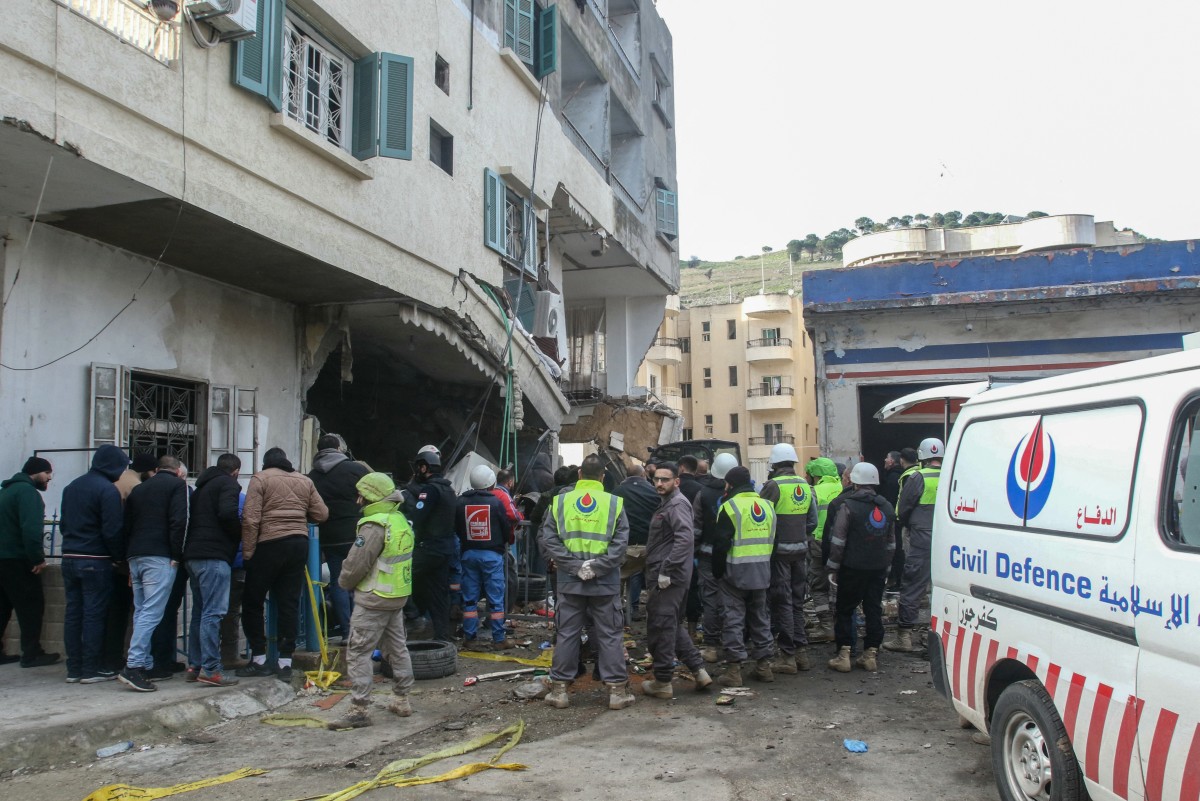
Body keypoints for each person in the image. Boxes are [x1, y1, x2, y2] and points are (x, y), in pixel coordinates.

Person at [539, 455, 634, 710]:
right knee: (610, 634)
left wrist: (575, 567)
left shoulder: (560, 502)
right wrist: (596, 567)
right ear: (603, 476)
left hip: (570, 581)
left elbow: (549, 539)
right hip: (604, 582)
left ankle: (559, 691)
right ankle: (616, 692)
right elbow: (620, 545)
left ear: (580, 474)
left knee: (567, 633)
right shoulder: (614, 503)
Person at [328, 473, 416, 729]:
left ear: (369, 496)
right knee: (398, 648)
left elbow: (356, 563)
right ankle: (402, 698)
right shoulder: (399, 520)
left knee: (358, 651)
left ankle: (359, 707)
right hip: (397, 595)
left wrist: (343, 583)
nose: (358, 500)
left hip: (374, 597)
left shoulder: (374, 525)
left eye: (362, 495)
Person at [239, 447, 329, 681]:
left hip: (269, 544)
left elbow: (250, 519)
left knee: (253, 601)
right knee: (289, 602)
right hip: (299, 544)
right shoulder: (304, 480)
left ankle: (259, 657)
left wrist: (248, 553)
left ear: (266, 463)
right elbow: (321, 514)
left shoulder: (260, 479)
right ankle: (285, 661)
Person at [118, 455, 189, 692]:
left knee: (141, 611)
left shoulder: (140, 489)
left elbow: (126, 525)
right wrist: (176, 555)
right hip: (159, 556)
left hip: (135, 555)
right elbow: (180, 521)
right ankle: (135, 665)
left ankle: (145, 663)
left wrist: (126, 560)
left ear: (157, 469)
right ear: (178, 471)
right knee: (152, 611)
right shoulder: (178, 486)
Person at [641, 462, 711, 699]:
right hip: (670, 576)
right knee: (670, 623)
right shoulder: (669, 503)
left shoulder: (677, 505)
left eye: (665, 480)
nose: (660, 483)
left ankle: (662, 682)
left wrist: (666, 570)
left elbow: (684, 540)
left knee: (660, 627)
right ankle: (699, 671)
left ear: (676, 482)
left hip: (668, 578)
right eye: (657, 479)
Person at [60, 445, 129, 684]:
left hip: (69, 557)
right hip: (95, 560)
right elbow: (112, 530)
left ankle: (74, 668)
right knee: (94, 615)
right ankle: (91, 669)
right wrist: (119, 556)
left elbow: (63, 524)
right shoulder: (107, 490)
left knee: (73, 614)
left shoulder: (71, 487)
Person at [825, 463, 896, 672]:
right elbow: (891, 543)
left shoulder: (848, 506)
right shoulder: (887, 507)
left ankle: (844, 655)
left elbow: (838, 541)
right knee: (873, 609)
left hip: (852, 567)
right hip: (878, 568)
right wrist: (887, 567)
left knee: (845, 609)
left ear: (853, 482)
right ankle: (870, 654)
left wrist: (832, 567)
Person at [712, 465, 777, 686]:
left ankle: (734, 671)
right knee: (760, 618)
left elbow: (720, 545)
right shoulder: (768, 506)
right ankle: (764, 666)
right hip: (761, 572)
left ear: (729, 484)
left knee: (733, 620)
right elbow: (772, 542)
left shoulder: (729, 507)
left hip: (734, 574)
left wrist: (717, 572)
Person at [183, 453, 243, 686]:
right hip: (214, 555)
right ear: (236, 470)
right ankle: (211, 669)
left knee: (199, 612)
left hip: (193, 555)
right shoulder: (229, 484)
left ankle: (195, 664)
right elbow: (228, 512)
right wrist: (238, 534)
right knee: (214, 612)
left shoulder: (201, 488)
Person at [759, 443, 818, 674]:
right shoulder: (804, 485)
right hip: (801, 553)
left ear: (773, 464)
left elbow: (761, 519)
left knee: (781, 602)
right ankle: (801, 652)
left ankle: (788, 656)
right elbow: (812, 521)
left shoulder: (773, 486)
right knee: (796, 602)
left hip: (780, 555)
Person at [308, 434, 370, 643]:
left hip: (328, 537)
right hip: (356, 534)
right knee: (362, 581)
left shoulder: (312, 476)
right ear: (338, 448)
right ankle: (363, 631)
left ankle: (346, 632)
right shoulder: (355, 470)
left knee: (338, 582)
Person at [0, 456, 60, 668]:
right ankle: (32, 653)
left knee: (3, 606)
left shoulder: (5, 492)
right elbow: (31, 529)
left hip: (3, 558)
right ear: (35, 473)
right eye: (47, 473)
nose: (49, 478)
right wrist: (37, 558)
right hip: (18, 559)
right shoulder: (27, 493)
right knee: (31, 606)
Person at [885, 438, 943, 653]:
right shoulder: (951, 474)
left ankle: (904, 636)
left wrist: (905, 524)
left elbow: (903, 508)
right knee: (941, 587)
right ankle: (939, 634)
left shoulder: (918, 477)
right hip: (947, 538)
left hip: (921, 537)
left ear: (922, 455)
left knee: (914, 583)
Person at [104, 452, 157, 675]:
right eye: (153, 472)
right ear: (147, 471)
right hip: (128, 558)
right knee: (139, 611)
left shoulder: (116, 481)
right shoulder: (135, 487)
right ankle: (131, 661)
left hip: (113, 556)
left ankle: (108, 659)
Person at [455, 465, 514, 649]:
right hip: (491, 556)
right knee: (495, 598)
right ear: (490, 482)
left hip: (468, 554)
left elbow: (457, 527)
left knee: (470, 598)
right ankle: (499, 639)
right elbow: (506, 528)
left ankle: (470, 637)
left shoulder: (461, 502)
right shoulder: (495, 503)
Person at [404, 449, 458, 642]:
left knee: (401, 576)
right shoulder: (450, 490)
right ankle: (443, 636)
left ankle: (413, 616)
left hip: (428, 548)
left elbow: (417, 517)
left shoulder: (430, 490)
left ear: (424, 467)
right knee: (438, 595)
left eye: (419, 467)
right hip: (445, 549)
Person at [693, 452, 736, 663]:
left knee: (710, 600)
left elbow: (696, 527)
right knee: (733, 601)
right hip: (735, 556)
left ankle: (711, 646)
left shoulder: (703, 494)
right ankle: (734, 644)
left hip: (708, 556)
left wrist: (693, 552)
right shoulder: (744, 494)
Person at [803, 457, 843, 642]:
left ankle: (826, 626)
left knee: (819, 586)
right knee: (838, 584)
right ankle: (839, 623)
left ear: (815, 475)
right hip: (842, 544)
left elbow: (809, 519)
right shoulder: (844, 488)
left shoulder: (813, 492)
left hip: (819, 543)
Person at [612, 463, 658, 622]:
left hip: (625, 546)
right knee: (650, 581)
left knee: (617, 580)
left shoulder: (617, 492)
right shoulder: (654, 492)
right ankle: (651, 615)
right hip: (650, 545)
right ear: (643, 475)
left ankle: (616, 614)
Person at [888, 448, 920, 591]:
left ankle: (908, 586)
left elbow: (906, 501)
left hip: (908, 523)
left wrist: (901, 520)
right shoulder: (920, 473)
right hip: (922, 521)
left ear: (901, 460)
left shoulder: (908, 476)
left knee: (906, 554)